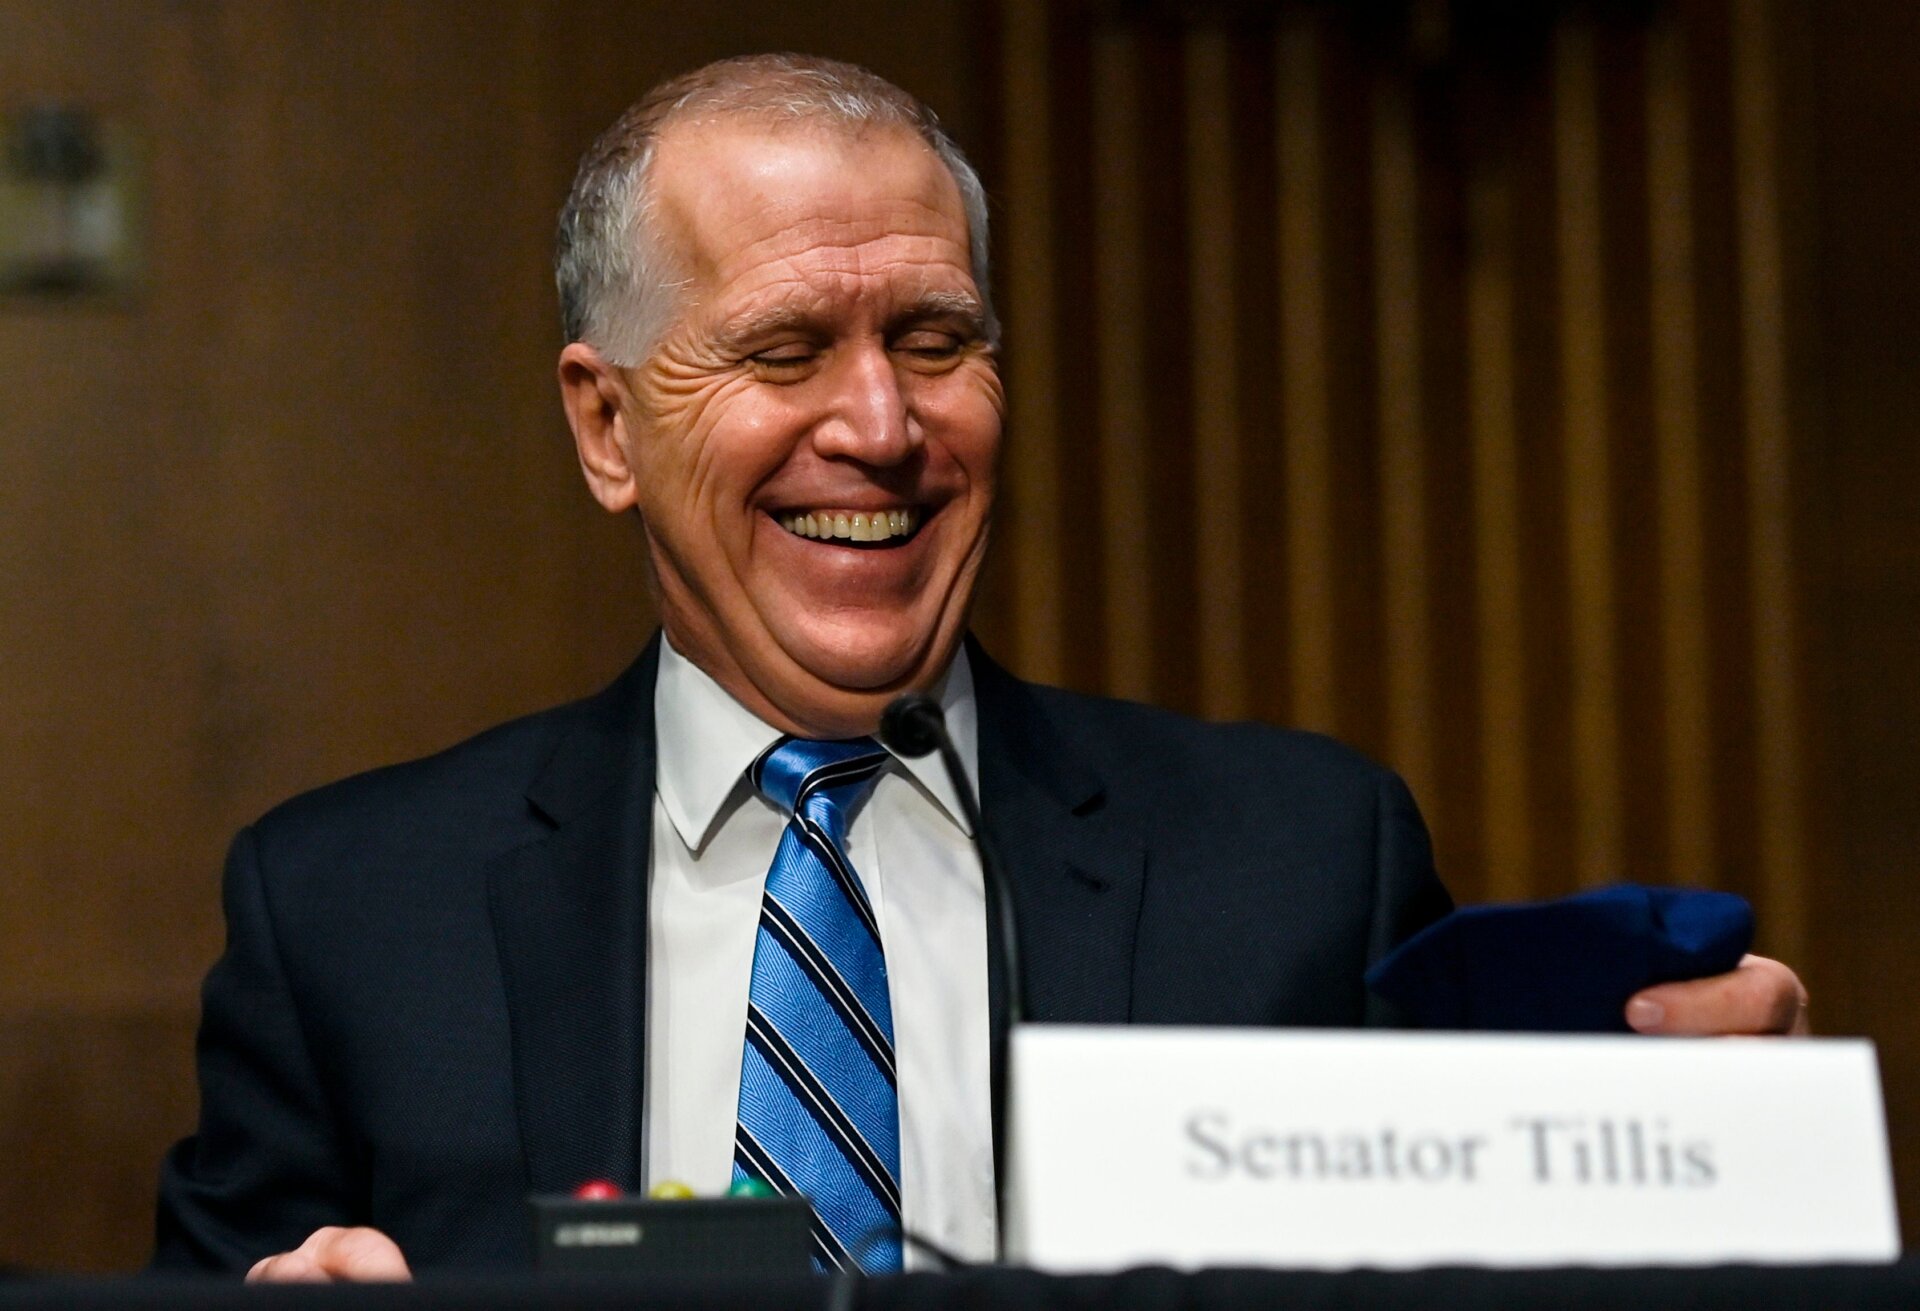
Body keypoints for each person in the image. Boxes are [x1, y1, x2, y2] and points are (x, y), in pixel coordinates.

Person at [153, 54, 1809, 1283]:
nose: (881, 429)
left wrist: (1691, 1161)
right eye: (787, 351)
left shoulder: (1303, 862)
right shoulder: (354, 914)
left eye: (936, 344)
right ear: (606, 424)